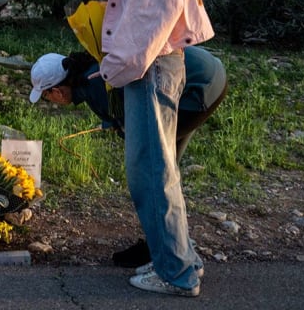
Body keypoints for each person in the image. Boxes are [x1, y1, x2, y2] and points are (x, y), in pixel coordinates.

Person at [75, 0, 214, 297]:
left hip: (149, 67)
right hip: (155, 65)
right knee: (158, 169)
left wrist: (114, 68)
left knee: (150, 172)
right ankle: (181, 258)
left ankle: (176, 273)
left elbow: (150, 18)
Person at [29, 46, 228, 267]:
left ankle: (165, 256)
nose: (51, 101)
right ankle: (172, 245)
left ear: (57, 91)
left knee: (152, 172)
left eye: (47, 97)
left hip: (196, 88)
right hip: (206, 73)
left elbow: (134, 129)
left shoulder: (94, 85)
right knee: (164, 169)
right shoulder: (93, 70)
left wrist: (120, 129)